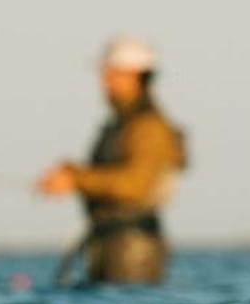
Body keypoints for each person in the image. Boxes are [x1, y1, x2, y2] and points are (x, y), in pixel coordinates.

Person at [36, 36, 186, 285]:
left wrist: (76, 179)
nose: (104, 81)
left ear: (136, 76)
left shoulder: (149, 126)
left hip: (133, 247)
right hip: (111, 242)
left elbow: (133, 185)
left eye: (112, 73)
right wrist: (72, 175)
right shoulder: (123, 124)